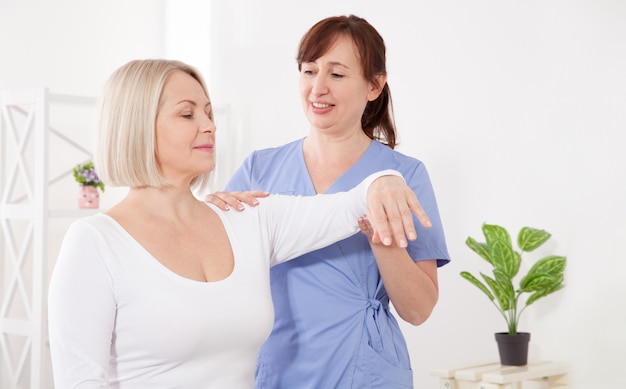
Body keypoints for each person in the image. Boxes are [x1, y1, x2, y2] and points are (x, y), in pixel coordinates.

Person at [47, 59, 430, 388]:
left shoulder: (247, 219)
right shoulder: (95, 243)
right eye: (187, 114)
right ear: (137, 127)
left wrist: (386, 180)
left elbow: (349, 204)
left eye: (208, 113)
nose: (210, 126)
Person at [206, 15, 451, 388]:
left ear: (374, 85)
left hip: (362, 369)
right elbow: (212, 276)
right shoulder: (260, 168)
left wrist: (380, 235)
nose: (317, 88)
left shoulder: (403, 176)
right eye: (309, 71)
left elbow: (418, 310)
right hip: (276, 368)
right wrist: (209, 215)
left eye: (336, 75)